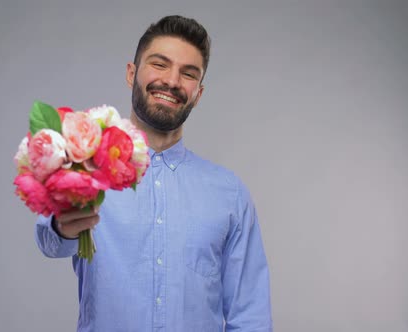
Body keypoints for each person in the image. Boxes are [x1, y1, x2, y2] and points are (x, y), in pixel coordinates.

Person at [35, 15, 273, 332]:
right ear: (131, 74)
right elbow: (50, 243)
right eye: (160, 64)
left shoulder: (229, 193)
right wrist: (63, 224)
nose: (173, 81)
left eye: (188, 74)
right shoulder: (87, 169)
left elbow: (250, 317)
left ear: (198, 94)